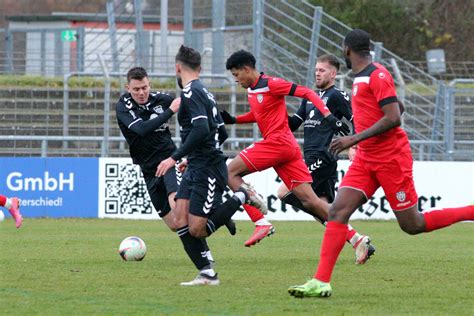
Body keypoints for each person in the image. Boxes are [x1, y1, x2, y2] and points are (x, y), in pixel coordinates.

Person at [288, 29, 474, 298]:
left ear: (347, 50)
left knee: (412, 224)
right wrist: (363, 139)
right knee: (337, 211)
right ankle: (321, 281)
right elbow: (396, 107)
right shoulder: (360, 77)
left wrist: (354, 138)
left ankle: (471, 211)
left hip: (391, 159)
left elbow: (394, 117)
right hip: (366, 159)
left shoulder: (377, 74)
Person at [224, 50, 373, 262]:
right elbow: (259, 115)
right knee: (311, 201)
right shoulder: (252, 90)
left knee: (229, 171)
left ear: (247, 69)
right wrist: (233, 119)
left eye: (237, 74)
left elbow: (307, 93)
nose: (236, 80)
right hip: (290, 149)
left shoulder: (271, 84)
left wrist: (330, 117)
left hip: (279, 143)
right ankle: (357, 240)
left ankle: (260, 222)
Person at [116, 66, 233, 266]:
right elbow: (142, 129)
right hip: (148, 170)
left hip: (170, 160)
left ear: (149, 84)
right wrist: (171, 110)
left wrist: (214, 120)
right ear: (128, 88)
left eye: (145, 87)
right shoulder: (123, 106)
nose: (141, 93)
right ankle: (217, 211)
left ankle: (205, 258)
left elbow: (195, 107)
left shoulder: (162, 99)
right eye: (136, 89)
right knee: (173, 224)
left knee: (179, 211)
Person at [156, 45, 249, 286]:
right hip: (198, 163)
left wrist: (174, 157)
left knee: (198, 229)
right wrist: (191, 156)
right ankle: (207, 273)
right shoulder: (205, 92)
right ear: (200, 67)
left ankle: (240, 196)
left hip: (207, 167)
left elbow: (201, 129)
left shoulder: (190, 93)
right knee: (179, 221)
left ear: (178, 67)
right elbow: (221, 132)